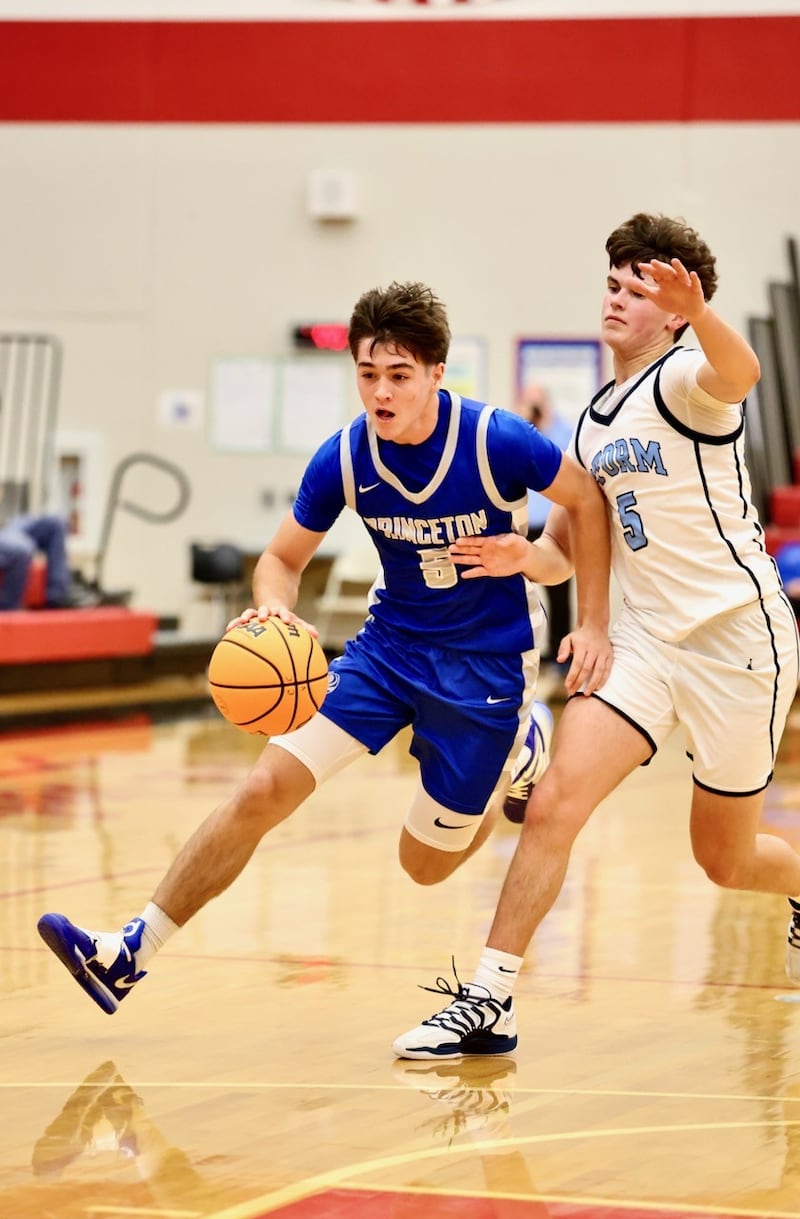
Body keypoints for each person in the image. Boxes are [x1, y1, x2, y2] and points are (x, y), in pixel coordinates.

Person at [36, 280, 612, 1018]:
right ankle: (129, 953)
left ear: (437, 373)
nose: (381, 392)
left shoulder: (495, 439)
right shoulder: (343, 457)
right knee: (262, 788)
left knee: (424, 865)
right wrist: (276, 609)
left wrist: (559, 586)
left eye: (399, 375)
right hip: (388, 649)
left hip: (484, 666)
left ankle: (517, 760)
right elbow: (280, 560)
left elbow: (586, 501)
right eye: (368, 373)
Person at [393, 212, 800, 1060]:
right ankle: (489, 999)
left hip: (737, 643)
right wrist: (522, 556)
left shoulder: (688, 378)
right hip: (645, 647)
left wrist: (700, 311)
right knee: (553, 802)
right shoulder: (590, 424)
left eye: (638, 290)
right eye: (612, 283)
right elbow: (567, 547)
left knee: (724, 861)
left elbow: (744, 371)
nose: (616, 298)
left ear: (676, 311)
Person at [0, 510, 90, 610]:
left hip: (10, 529)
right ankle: (7, 612)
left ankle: (58, 596)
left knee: (55, 524)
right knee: (20, 549)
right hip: (9, 537)